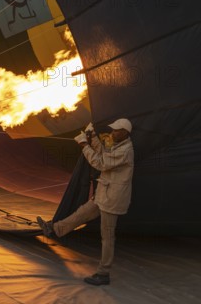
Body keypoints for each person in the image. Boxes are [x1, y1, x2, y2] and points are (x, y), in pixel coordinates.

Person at [37, 118, 134, 286]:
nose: (112, 132)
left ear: (126, 133)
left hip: (112, 200)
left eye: (117, 130)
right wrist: (93, 136)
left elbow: (101, 163)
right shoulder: (117, 145)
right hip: (104, 194)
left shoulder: (125, 151)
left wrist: (84, 145)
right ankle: (55, 229)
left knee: (107, 237)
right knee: (82, 212)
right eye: (113, 129)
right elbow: (103, 152)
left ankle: (103, 273)